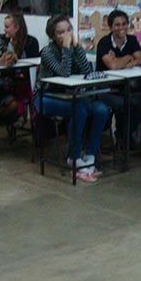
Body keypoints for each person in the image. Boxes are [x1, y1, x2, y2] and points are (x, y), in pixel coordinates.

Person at [34, 14, 109, 183]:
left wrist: (78, 49)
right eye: (61, 32)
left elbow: (86, 70)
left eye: (69, 30)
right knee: (79, 109)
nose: (66, 35)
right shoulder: (47, 52)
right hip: (46, 97)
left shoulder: (73, 47)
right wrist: (67, 49)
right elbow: (64, 73)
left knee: (101, 109)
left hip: (70, 96)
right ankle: (73, 157)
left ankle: (89, 157)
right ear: (53, 36)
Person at [95, 9, 141, 147]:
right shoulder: (104, 42)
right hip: (106, 88)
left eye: (124, 24)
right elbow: (112, 66)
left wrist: (121, 62)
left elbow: (140, 58)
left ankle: (122, 135)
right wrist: (128, 57)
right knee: (125, 103)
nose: (121, 28)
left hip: (126, 86)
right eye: (117, 25)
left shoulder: (132, 40)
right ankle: (123, 137)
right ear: (111, 27)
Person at [2, 11, 39, 127]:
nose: (4, 30)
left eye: (7, 27)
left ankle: (26, 116)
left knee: (25, 87)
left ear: (17, 27)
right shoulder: (3, 41)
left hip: (27, 80)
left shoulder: (31, 42)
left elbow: (33, 66)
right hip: (9, 80)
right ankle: (17, 115)